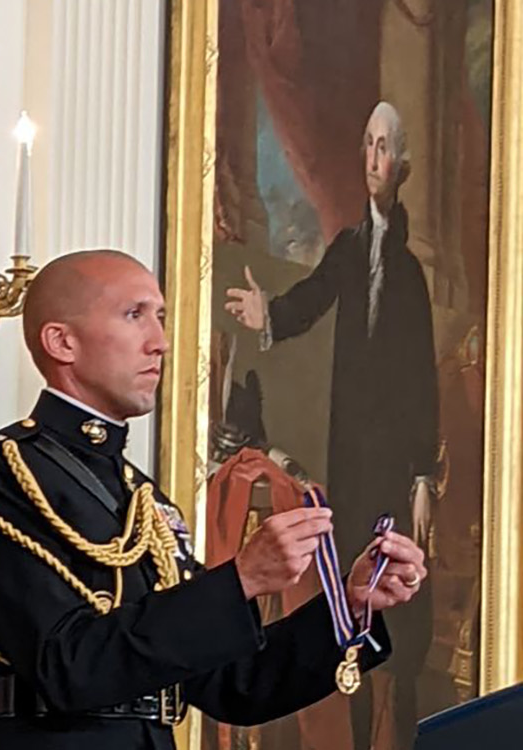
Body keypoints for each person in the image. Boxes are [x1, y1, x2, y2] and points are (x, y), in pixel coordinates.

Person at [0, 250, 428, 749]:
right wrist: (242, 578)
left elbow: (237, 686)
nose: (161, 342)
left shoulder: (140, 497)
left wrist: (348, 603)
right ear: (62, 341)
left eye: (162, 318)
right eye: (135, 316)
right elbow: (67, 665)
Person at [225, 101, 438, 748]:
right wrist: (271, 315)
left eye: (385, 149)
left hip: (396, 459)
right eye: (368, 145)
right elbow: (312, 298)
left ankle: (395, 728)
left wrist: (426, 471)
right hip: (347, 448)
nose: (374, 159)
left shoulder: (407, 270)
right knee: (344, 582)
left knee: (398, 591)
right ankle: (336, 721)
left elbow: (425, 377)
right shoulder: (350, 247)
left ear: (401, 166)